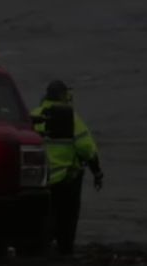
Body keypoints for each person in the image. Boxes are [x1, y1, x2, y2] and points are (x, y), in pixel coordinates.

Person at [31, 80, 103, 256]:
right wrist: (97, 172)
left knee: (38, 217)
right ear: (65, 96)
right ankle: (65, 250)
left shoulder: (33, 115)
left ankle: (37, 247)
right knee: (68, 217)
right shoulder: (72, 118)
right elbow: (86, 149)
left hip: (38, 179)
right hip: (66, 179)